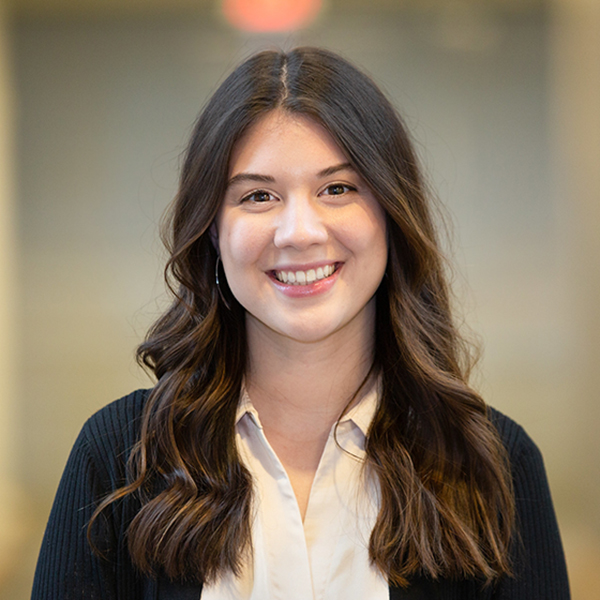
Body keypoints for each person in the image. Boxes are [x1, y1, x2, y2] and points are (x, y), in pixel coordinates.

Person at [31, 47, 570, 600]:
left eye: (337, 189)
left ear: (391, 214)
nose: (299, 232)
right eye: (258, 195)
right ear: (213, 230)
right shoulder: (120, 462)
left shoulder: (496, 467)